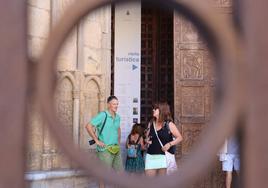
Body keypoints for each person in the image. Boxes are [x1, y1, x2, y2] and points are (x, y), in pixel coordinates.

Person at [85, 95, 122, 188]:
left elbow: (118, 129)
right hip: (105, 150)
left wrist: (118, 140)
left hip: (116, 148)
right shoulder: (103, 115)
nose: (116, 106)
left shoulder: (118, 117)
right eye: (114, 104)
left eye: (117, 104)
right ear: (109, 104)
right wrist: (96, 140)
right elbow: (88, 126)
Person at [145, 102, 183, 177]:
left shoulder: (169, 124)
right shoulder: (151, 123)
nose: (153, 110)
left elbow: (180, 138)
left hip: (163, 157)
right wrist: (146, 140)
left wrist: (169, 144)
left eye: (155, 109)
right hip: (150, 156)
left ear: (161, 110)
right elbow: (147, 138)